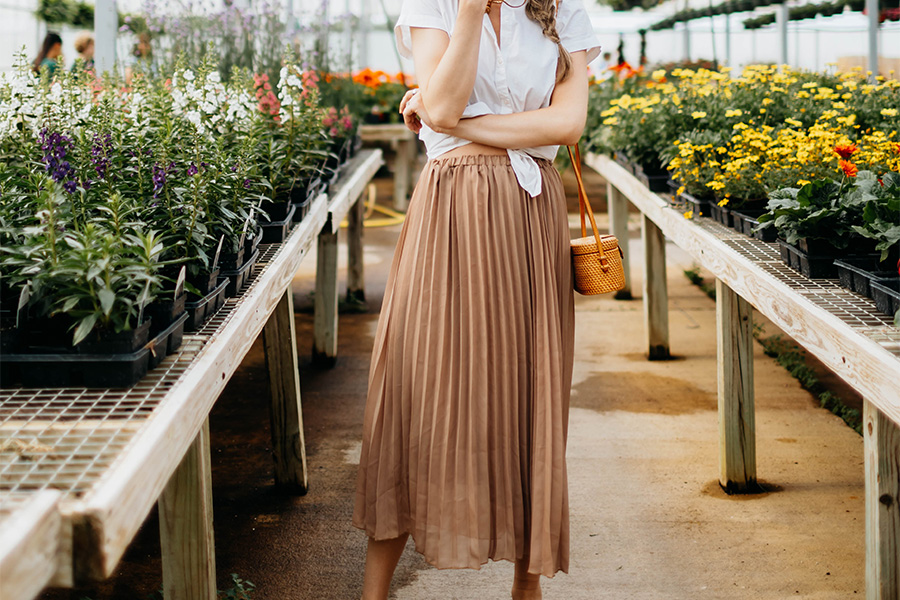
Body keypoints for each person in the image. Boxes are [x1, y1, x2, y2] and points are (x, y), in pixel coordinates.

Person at [352, 0, 600, 599]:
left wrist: (458, 126)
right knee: (420, 382)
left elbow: (565, 125)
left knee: (529, 386)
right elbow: (438, 103)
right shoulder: (435, 5)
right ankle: (373, 591)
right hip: (452, 213)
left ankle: (526, 584)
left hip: (532, 213)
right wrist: (468, 13)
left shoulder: (565, 8)